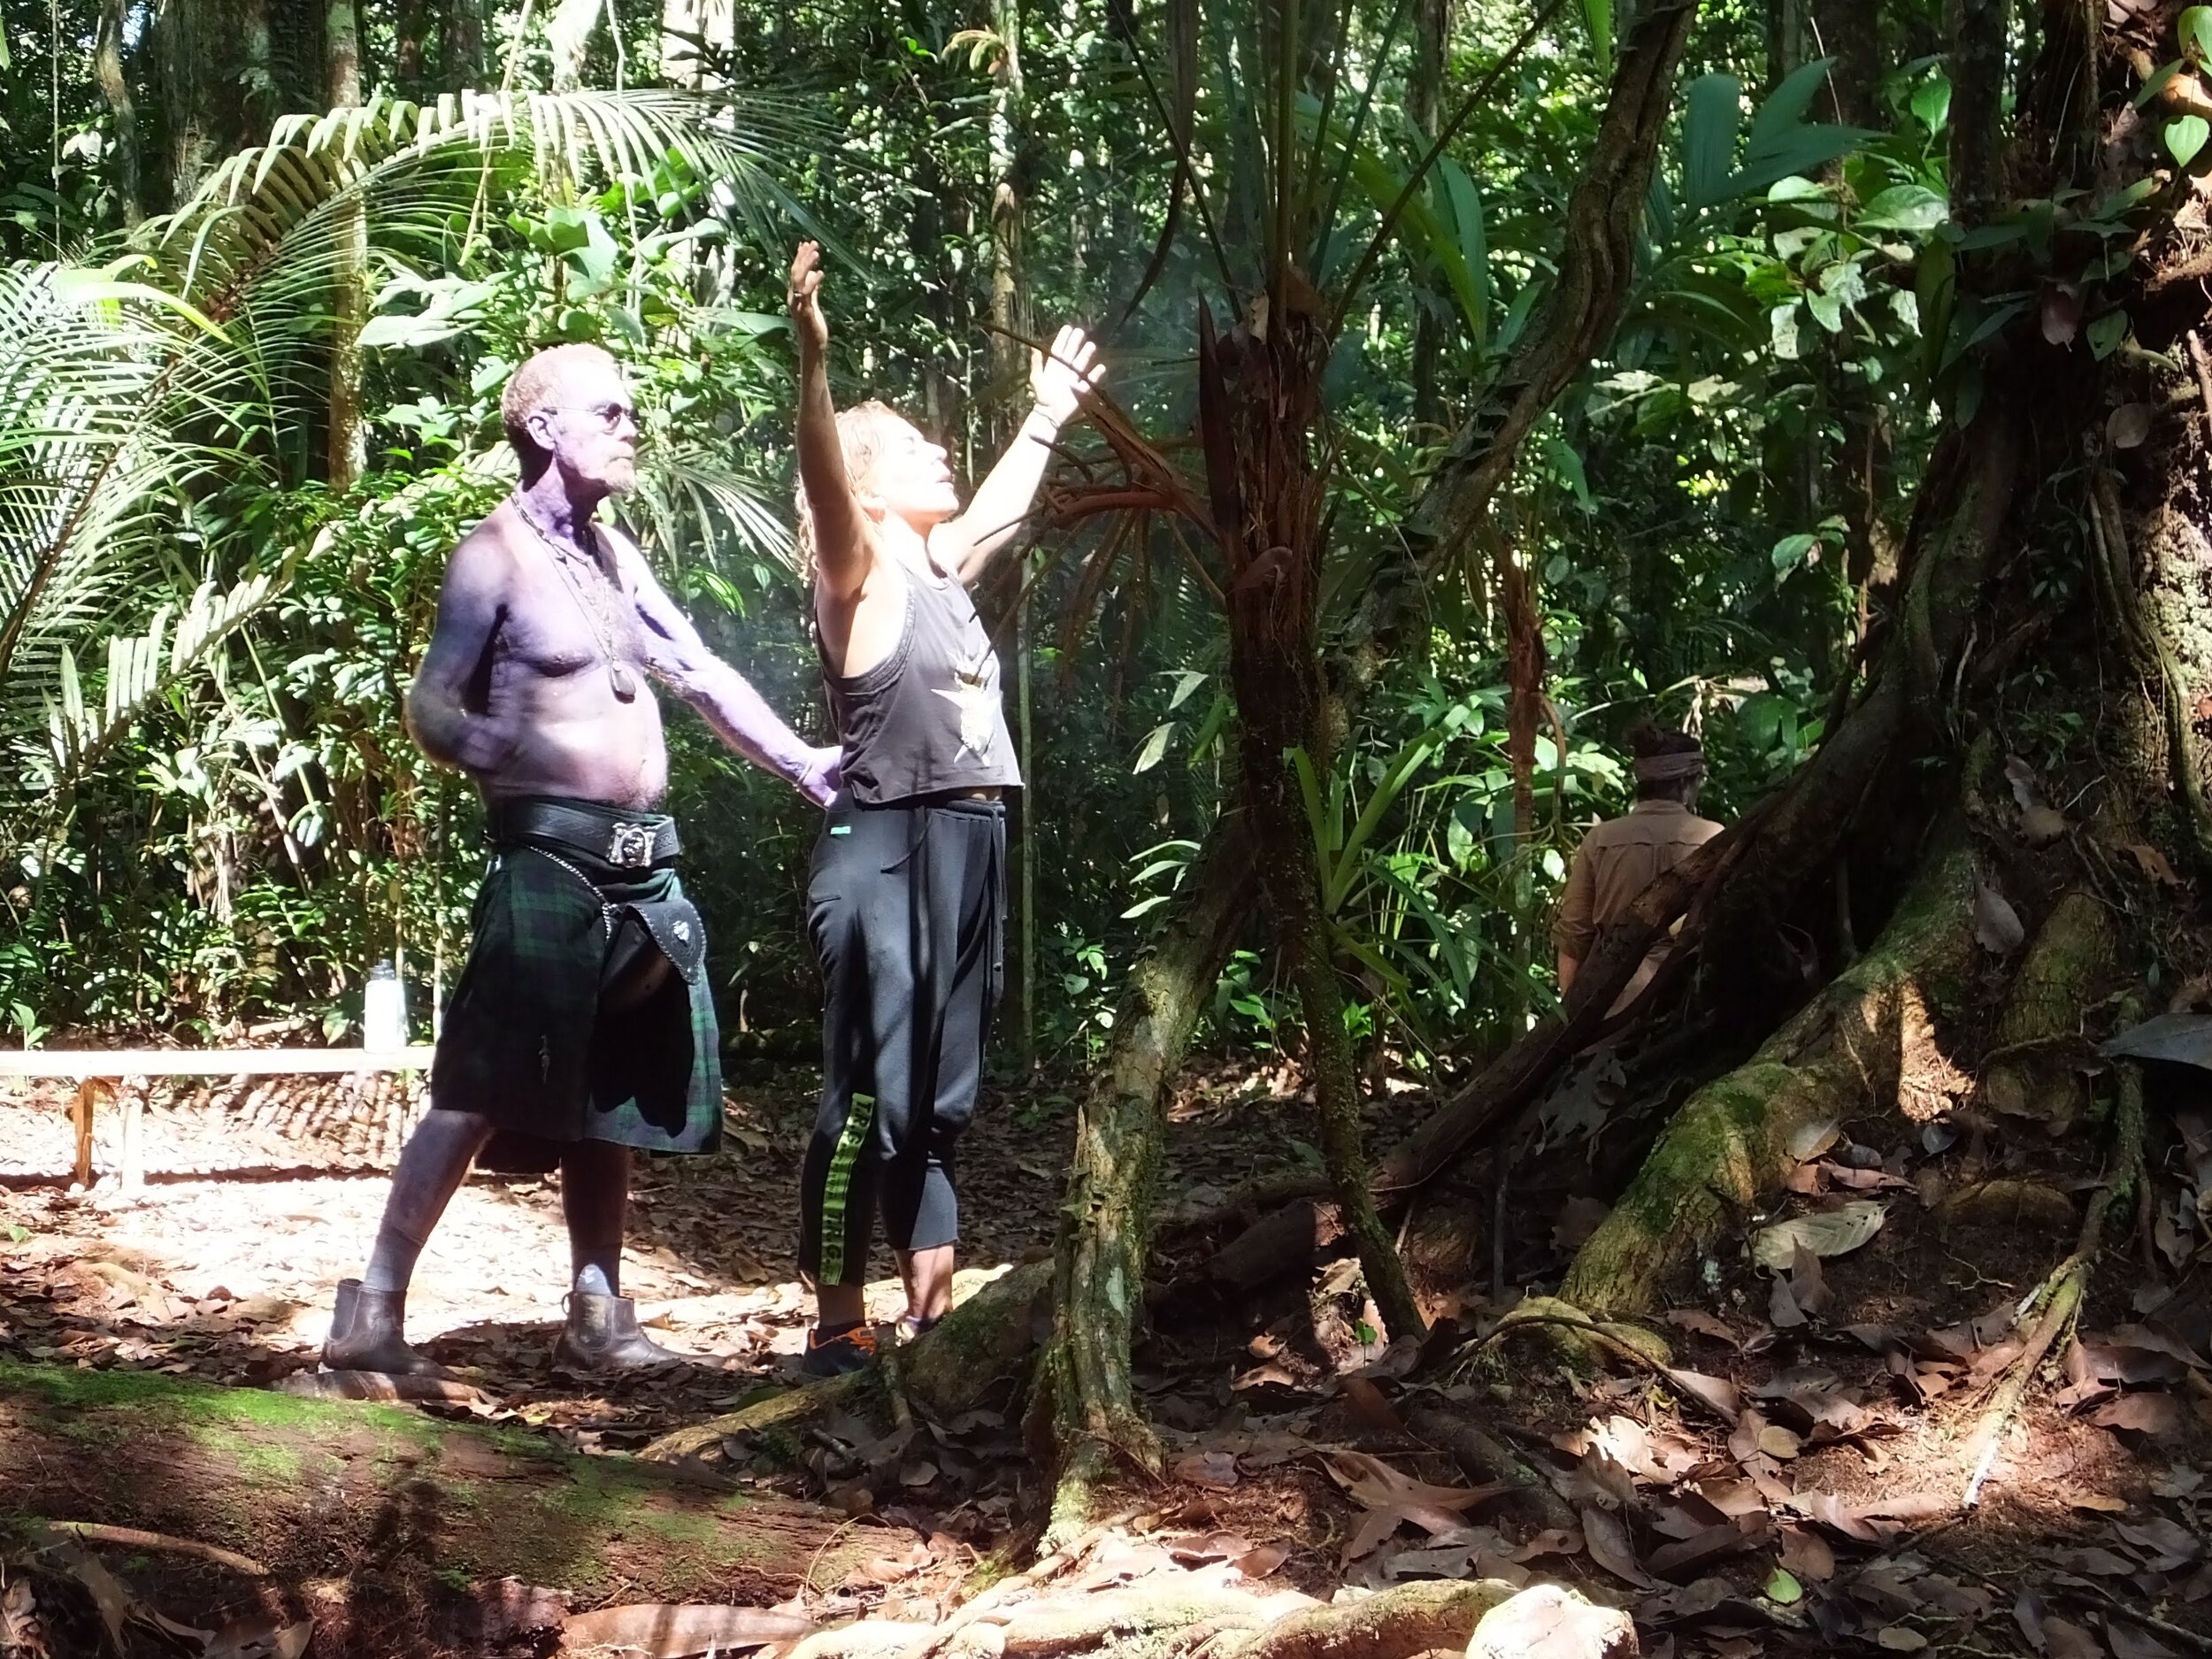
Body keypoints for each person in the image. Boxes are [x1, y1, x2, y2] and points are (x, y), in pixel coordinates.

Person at [321, 342, 841, 1377]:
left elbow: (696, 670)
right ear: (545, 430)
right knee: (475, 1084)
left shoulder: (614, 556)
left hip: (641, 868)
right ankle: (369, 1316)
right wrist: (482, 749)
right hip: (549, 861)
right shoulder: (493, 555)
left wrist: (804, 764)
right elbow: (434, 695)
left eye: (629, 412)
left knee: (610, 1093)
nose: (630, 428)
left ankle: (596, 1316)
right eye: (610, 413)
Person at [785, 241, 1102, 1375]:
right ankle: (836, 1323)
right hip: (886, 845)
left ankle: (933, 1326)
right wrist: (814, 369)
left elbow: (1001, 508)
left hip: (971, 838)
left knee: (942, 1098)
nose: (942, 451)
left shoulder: (940, 569)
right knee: (870, 1094)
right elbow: (825, 479)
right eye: (917, 448)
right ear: (869, 490)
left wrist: (1049, 413)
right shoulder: (857, 571)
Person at [1554, 725, 1724, 1012]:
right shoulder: (1714, 838)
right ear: (1687, 784)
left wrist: (1570, 1012)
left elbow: (1575, 933)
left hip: (1608, 998)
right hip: (1685, 1000)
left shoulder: (1601, 840)